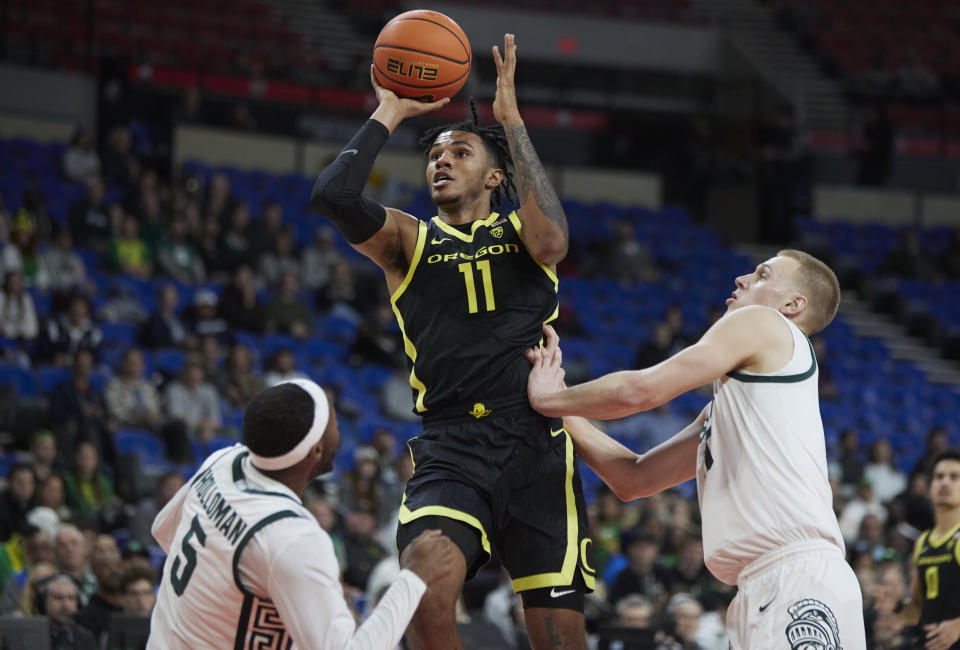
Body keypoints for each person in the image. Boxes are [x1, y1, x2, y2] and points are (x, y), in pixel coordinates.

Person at [309, 33, 589, 650]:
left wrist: (511, 123)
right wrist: (391, 108)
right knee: (424, 592)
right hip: (452, 445)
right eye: (434, 155)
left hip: (534, 443)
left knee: (560, 639)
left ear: (493, 176)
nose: (439, 160)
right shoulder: (407, 241)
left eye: (458, 151)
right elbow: (332, 195)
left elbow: (554, 246)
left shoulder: (522, 232)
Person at [525, 250, 867, 649]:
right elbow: (633, 479)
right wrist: (561, 405)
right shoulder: (730, 410)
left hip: (797, 577)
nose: (740, 278)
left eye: (762, 275)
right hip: (760, 587)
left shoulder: (767, 322)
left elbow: (640, 391)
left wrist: (549, 401)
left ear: (792, 305)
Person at [147, 379, 458, 648]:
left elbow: (164, 531)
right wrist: (414, 576)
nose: (341, 431)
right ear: (317, 450)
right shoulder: (293, 537)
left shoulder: (224, 460)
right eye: (334, 423)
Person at [896, 448, 960, 649]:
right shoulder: (922, 542)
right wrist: (896, 608)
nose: (945, 482)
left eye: (954, 477)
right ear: (930, 486)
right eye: (939, 477)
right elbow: (917, 608)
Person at [38, 573, 98, 650]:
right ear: (44, 602)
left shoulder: (86, 637)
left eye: (71, 598)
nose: (65, 605)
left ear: (78, 603)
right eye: (58, 598)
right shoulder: (34, 636)